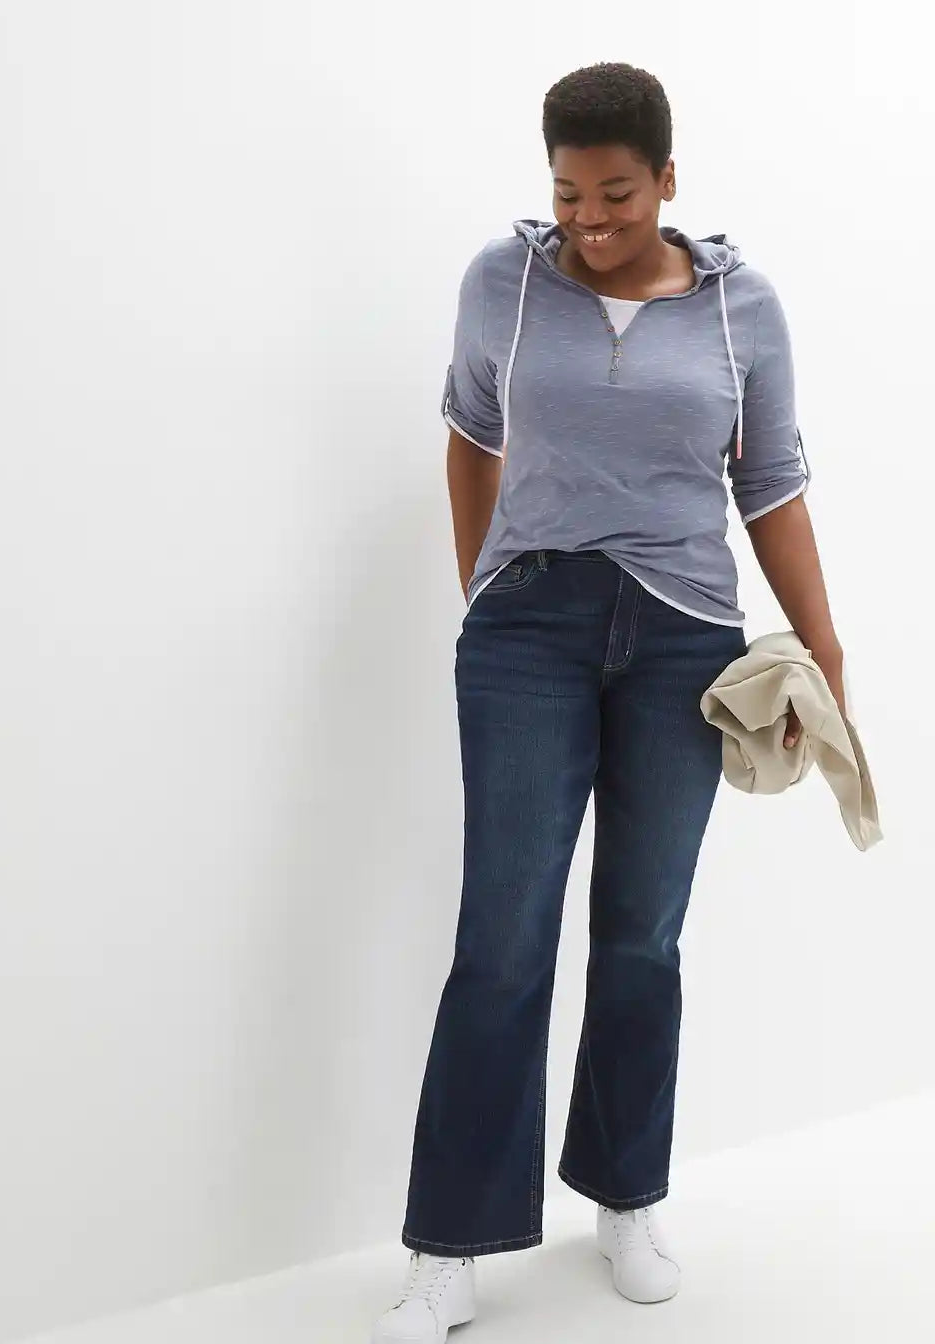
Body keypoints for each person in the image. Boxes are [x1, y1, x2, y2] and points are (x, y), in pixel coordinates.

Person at [372, 61, 845, 1344]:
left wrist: (825, 654)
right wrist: (488, 589)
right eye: (569, 194)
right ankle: (448, 1245)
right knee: (503, 938)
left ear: (668, 180)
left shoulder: (744, 309)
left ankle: (627, 1197)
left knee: (642, 937)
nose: (590, 220)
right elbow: (471, 437)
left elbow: (772, 485)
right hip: (529, 634)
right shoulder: (506, 282)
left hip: (686, 644)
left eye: (617, 195)